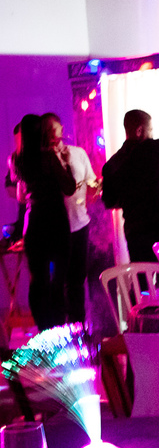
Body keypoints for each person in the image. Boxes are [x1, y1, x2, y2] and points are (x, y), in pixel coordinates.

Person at [101, 110, 159, 264]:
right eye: (150, 130)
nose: (152, 134)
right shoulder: (151, 148)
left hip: (135, 235)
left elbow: (110, 202)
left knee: (142, 277)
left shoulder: (111, 165)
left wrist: (129, 197)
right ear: (139, 131)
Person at [13, 114, 74, 329]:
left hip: (33, 224)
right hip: (55, 221)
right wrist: (66, 164)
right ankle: (58, 329)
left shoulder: (16, 160)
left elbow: (21, 196)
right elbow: (69, 187)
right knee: (58, 281)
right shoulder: (48, 157)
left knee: (38, 282)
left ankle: (43, 330)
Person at [43, 113, 99, 323]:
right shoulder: (43, 159)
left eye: (54, 128)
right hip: (55, 230)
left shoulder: (78, 153)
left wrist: (97, 187)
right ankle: (58, 329)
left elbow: (91, 181)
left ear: (61, 128)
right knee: (57, 281)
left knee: (77, 281)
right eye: (47, 130)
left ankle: (79, 327)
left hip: (80, 224)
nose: (53, 133)